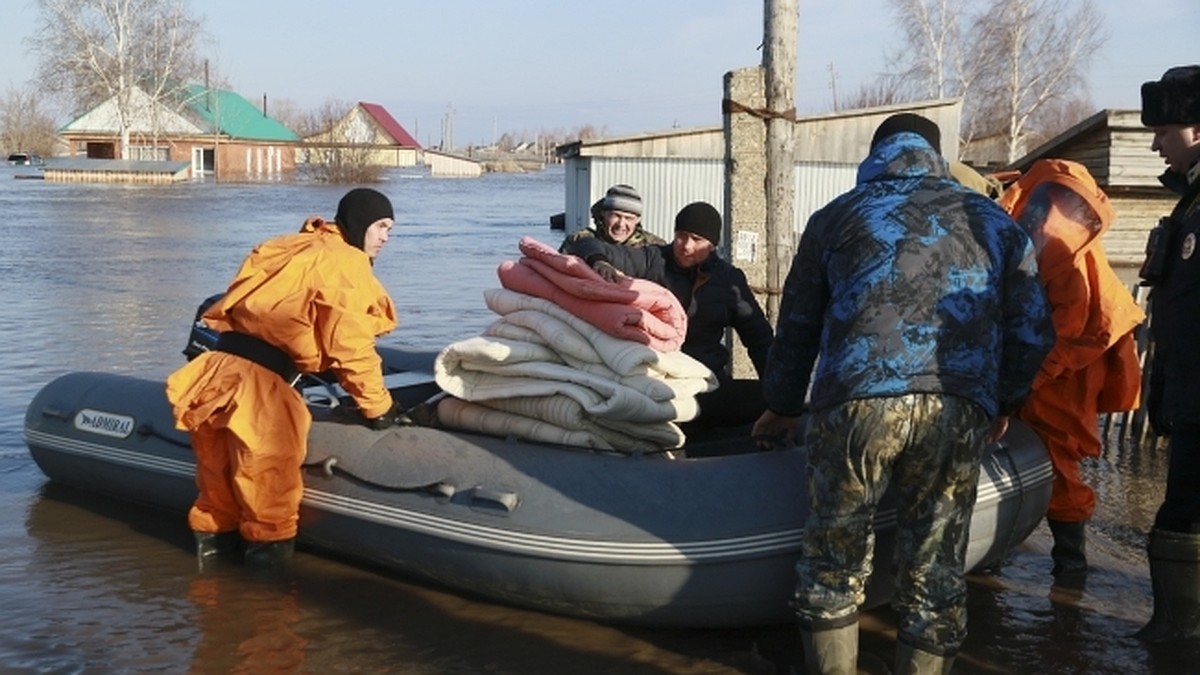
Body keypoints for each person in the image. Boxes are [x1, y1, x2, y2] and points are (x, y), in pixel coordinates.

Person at [751, 113, 1054, 674]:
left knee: (833, 562)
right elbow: (1033, 330)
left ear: (875, 153)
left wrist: (782, 404)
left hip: (853, 403)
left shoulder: (835, 218)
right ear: (938, 155)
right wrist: (1004, 402)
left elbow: (796, 327)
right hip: (955, 403)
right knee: (935, 569)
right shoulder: (993, 221)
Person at [165, 187, 410, 573]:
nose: (385, 237)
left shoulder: (292, 247)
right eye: (381, 226)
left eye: (390, 230)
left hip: (216, 373)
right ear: (360, 223)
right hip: (260, 391)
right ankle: (268, 614)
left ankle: (213, 602)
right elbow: (350, 346)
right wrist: (380, 408)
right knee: (269, 502)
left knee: (216, 495)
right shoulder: (346, 263)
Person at [998, 159, 1145, 582]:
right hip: (1066, 355)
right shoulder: (1047, 225)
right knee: (1039, 442)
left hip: (1074, 363)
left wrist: (1025, 382)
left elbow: (1067, 334)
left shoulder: (1061, 244)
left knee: (1057, 449)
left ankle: (1071, 565)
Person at [563, 200, 773, 428]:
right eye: (681, 235)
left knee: (765, 399)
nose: (686, 246)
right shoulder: (653, 260)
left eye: (696, 239)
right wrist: (599, 261)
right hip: (654, 379)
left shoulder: (729, 280)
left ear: (712, 245)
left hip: (706, 381)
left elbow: (760, 340)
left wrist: (778, 391)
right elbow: (584, 244)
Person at [1134, 64, 1200, 643]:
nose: (1155, 142)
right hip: (1187, 394)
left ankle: (1181, 633)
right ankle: (1177, 627)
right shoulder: (1189, 204)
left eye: (1164, 129)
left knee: (1183, 515)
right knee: (1181, 512)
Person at [560, 184, 666, 251]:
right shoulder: (578, 240)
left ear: (637, 220)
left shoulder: (654, 247)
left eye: (628, 218)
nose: (621, 224)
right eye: (615, 215)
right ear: (603, 214)